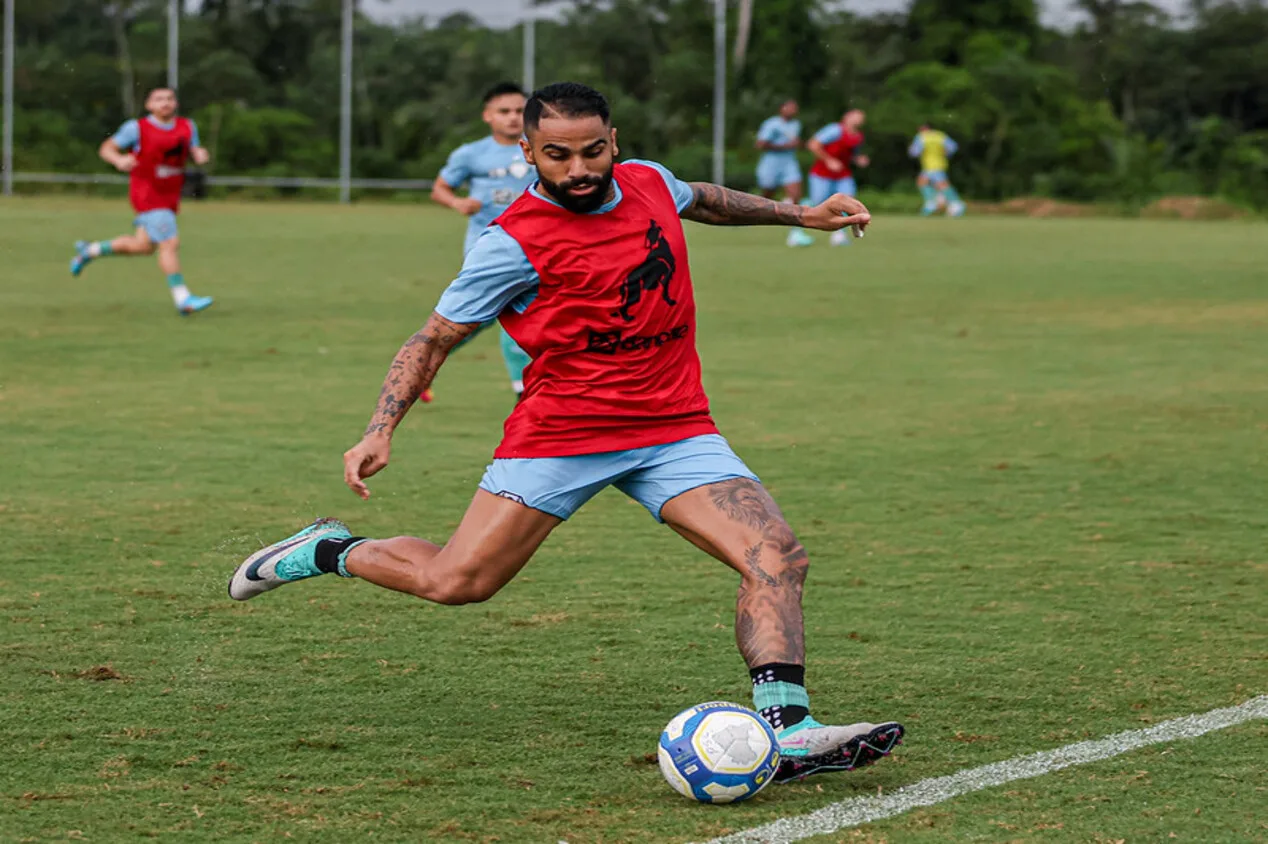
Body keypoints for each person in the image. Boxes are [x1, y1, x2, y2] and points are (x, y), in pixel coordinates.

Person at [229, 82, 903, 783]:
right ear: (527, 151)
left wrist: (803, 214)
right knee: (456, 581)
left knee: (776, 555)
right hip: (561, 436)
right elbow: (431, 339)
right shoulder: (511, 243)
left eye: (593, 151)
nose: (579, 169)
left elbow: (701, 198)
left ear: (616, 142)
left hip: (675, 428)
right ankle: (330, 549)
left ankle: (787, 730)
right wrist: (378, 430)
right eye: (557, 156)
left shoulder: (647, 183)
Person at [430, 82, 536, 400]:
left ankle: (425, 356)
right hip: (487, 246)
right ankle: (426, 356)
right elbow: (440, 188)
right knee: (499, 313)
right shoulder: (471, 154)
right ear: (488, 115)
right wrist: (457, 203)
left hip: (538, 246)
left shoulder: (542, 147)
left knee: (508, 313)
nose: (513, 118)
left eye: (520, 111)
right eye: (504, 111)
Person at [69, 88, 214, 315]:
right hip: (146, 193)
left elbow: (193, 148)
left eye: (169, 99)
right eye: (159, 99)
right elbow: (106, 148)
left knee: (145, 247)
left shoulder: (188, 126)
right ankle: (183, 298)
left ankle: (90, 250)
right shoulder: (136, 128)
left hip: (169, 195)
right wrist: (118, 159)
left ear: (175, 103)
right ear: (149, 105)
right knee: (169, 243)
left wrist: (199, 154)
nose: (165, 103)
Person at [806, 109, 870, 247]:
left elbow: (851, 154)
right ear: (847, 117)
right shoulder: (834, 130)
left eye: (861, 118)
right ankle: (796, 228)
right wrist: (829, 160)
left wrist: (858, 160)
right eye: (856, 116)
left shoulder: (858, 136)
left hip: (843, 175)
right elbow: (813, 144)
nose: (859, 120)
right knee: (816, 203)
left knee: (848, 203)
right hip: (822, 174)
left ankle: (839, 235)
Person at [755, 99, 812, 248]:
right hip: (771, 164)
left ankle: (795, 233)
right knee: (766, 197)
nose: (793, 110)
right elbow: (760, 144)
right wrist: (784, 146)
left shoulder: (796, 125)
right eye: (790, 107)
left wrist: (799, 144)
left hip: (789, 164)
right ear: (782, 109)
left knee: (796, 196)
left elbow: (795, 143)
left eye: (795, 108)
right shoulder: (772, 124)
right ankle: (748, 217)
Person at [909, 123, 965, 217]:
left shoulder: (921, 137)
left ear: (921, 129)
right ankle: (935, 200)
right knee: (922, 182)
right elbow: (953, 147)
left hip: (930, 165)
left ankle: (955, 203)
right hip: (940, 163)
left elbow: (914, 152)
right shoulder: (940, 135)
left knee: (941, 184)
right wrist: (946, 153)